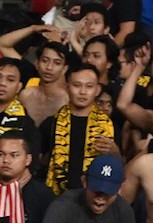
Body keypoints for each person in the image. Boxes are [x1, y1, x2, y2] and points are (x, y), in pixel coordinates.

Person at [42, 63, 116, 196]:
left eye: (89, 86)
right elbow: (39, 159)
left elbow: (119, 164)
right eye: (76, 85)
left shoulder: (108, 125)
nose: (83, 92)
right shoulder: (52, 123)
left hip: (94, 197)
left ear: (97, 89)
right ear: (67, 87)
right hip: (56, 198)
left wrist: (113, 150)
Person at [18, 41, 70, 126]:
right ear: (37, 63)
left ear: (64, 69)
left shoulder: (67, 100)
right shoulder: (26, 95)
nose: (49, 67)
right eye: (45, 61)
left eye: (57, 63)